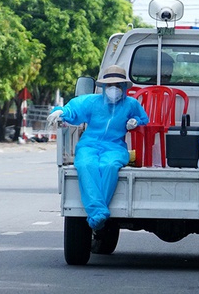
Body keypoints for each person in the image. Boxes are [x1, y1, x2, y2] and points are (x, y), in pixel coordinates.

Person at [47, 65, 149, 230]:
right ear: (103, 87)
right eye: (110, 85)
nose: (113, 89)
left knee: (109, 166)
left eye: (117, 85)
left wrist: (136, 121)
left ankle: (97, 213)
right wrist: (60, 111)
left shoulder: (131, 104)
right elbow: (73, 108)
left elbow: (144, 118)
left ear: (123, 87)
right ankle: (99, 212)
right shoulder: (92, 101)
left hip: (115, 146)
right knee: (86, 165)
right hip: (89, 144)